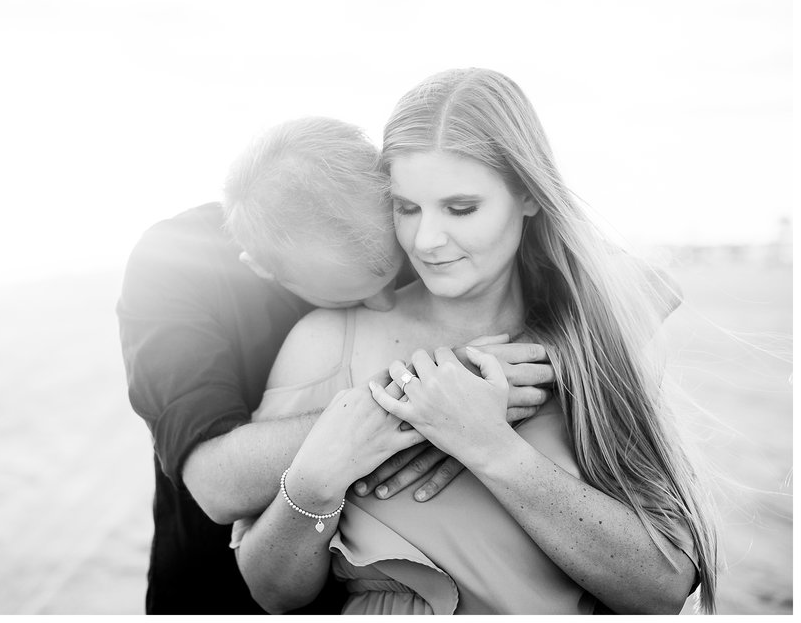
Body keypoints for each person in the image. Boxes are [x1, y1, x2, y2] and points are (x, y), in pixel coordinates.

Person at [233, 69, 718, 614]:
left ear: (529, 195)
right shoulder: (326, 341)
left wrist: (492, 448)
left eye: (461, 208)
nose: (427, 240)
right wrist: (314, 482)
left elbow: (663, 589)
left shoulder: (589, 341)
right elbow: (271, 594)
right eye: (406, 208)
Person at [116, 117, 554, 613]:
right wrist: (435, 387)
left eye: (394, 275)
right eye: (359, 296)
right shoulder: (174, 266)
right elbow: (217, 483)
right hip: (217, 595)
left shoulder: (399, 219)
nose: (389, 303)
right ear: (263, 270)